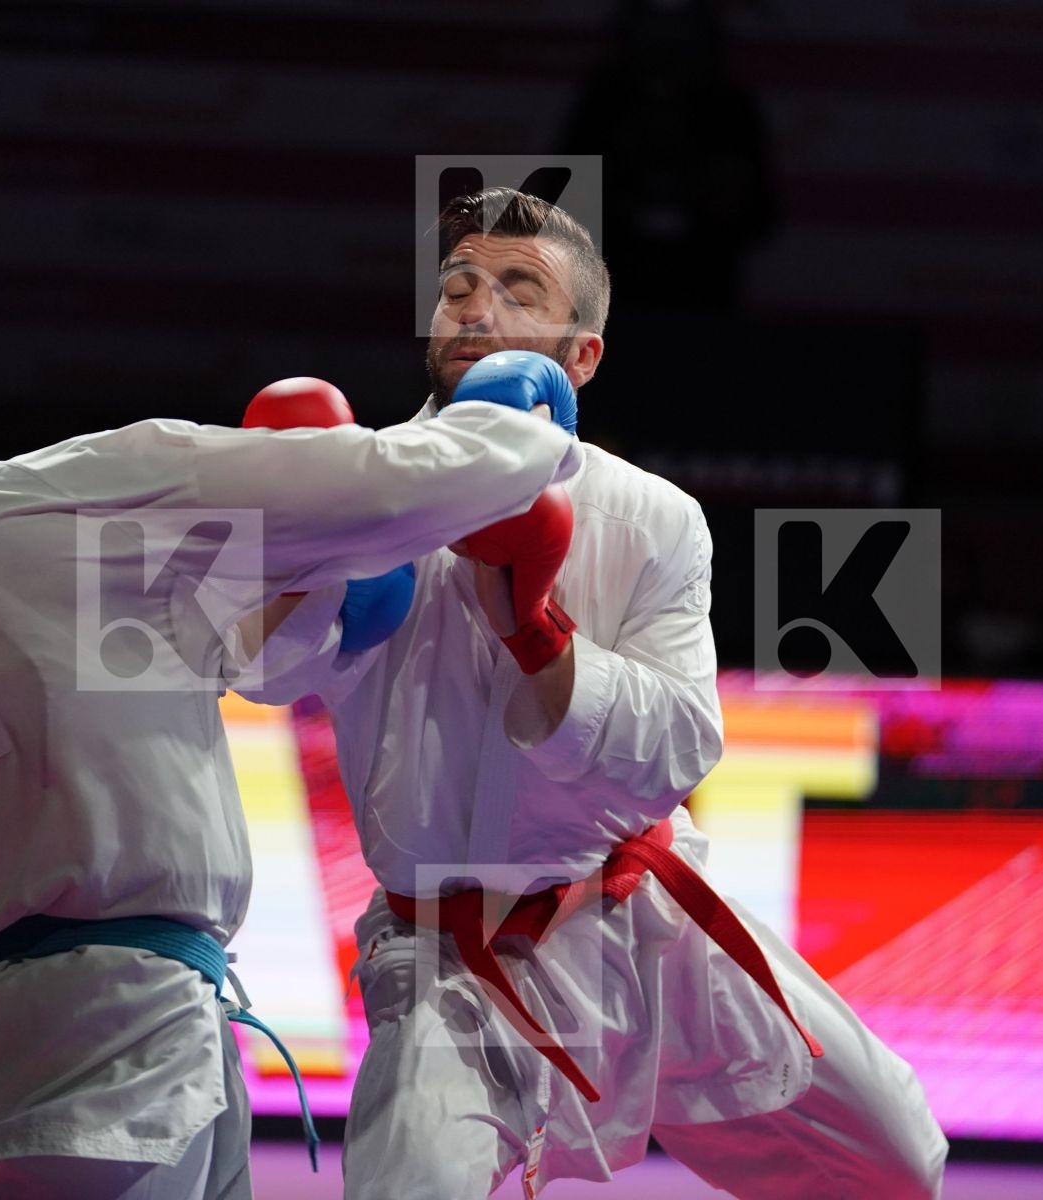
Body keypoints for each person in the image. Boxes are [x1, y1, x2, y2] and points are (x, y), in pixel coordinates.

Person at [0, 308, 581, 1200]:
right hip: (115, 1050)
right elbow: (396, 487)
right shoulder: (64, 497)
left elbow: (131, 665)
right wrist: (512, 418)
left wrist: (317, 605)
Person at [240, 189, 949, 1198]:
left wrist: (538, 633)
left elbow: (682, 745)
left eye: (517, 289)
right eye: (457, 285)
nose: (475, 306)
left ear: (581, 357)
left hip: (649, 928)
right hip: (453, 959)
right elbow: (266, 674)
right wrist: (302, 566)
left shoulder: (652, 516)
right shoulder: (360, 487)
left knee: (895, 1160)